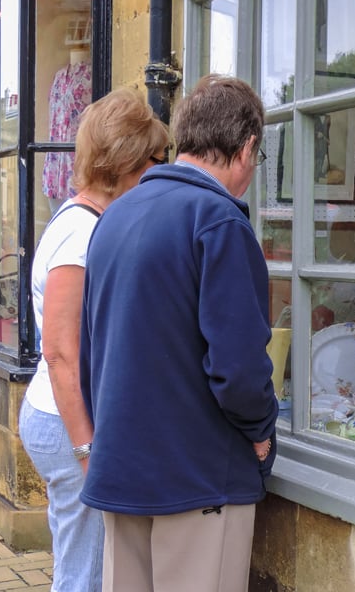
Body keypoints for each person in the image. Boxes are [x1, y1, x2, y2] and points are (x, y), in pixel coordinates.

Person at [79, 74, 279, 592]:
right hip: (198, 480)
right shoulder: (218, 222)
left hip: (122, 469)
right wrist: (261, 432)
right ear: (247, 147)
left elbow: (91, 351)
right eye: (257, 158)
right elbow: (237, 369)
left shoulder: (113, 217)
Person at [19, 87, 170, 592]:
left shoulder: (87, 221)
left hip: (63, 419)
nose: (159, 170)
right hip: (67, 426)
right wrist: (89, 451)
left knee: (85, 564)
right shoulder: (82, 233)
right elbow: (61, 353)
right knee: (84, 574)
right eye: (157, 158)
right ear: (130, 160)